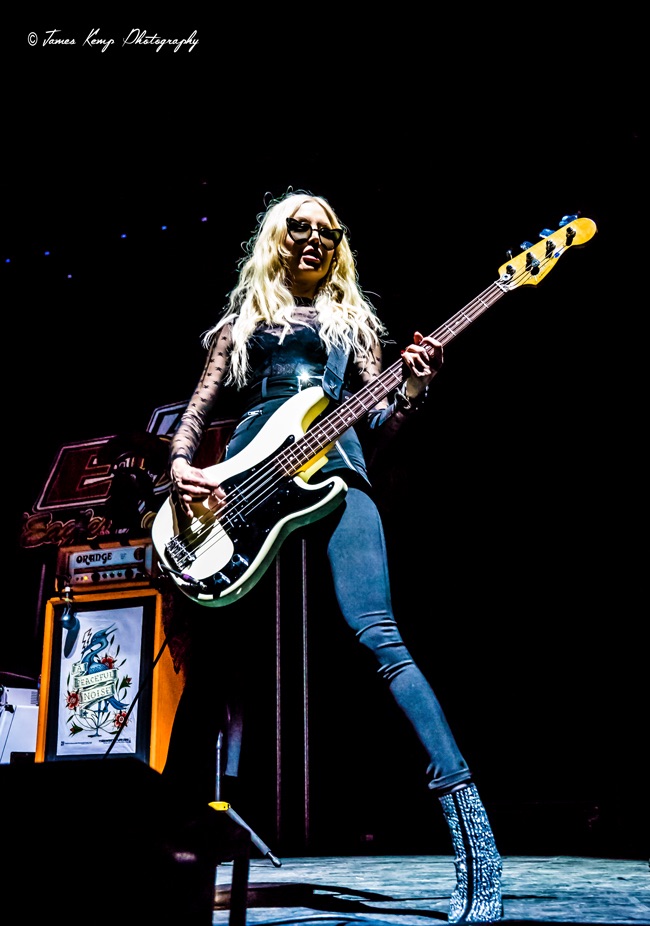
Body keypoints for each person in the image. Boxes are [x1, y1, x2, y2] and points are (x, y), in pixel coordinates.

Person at [159, 189, 503, 923]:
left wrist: (409, 390)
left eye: (328, 230)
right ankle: (166, 837)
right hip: (242, 491)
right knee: (213, 662)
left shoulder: (354, 326)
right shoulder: (240, 323)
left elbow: (376, 427)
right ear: (275, 239)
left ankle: (475, 840)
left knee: (381, 637)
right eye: (299, 227)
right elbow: (192, 417)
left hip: (336, 476)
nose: (314, 238)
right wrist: (183, 468)